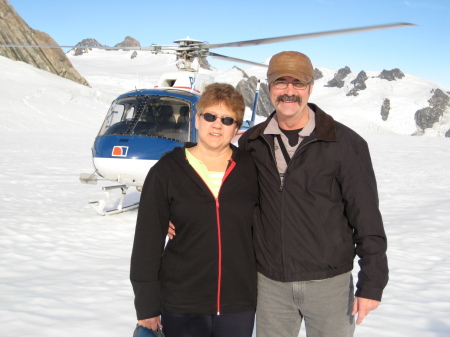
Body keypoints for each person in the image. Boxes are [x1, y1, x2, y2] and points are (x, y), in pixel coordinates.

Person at [237, 51, 389, 337]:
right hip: (270, 285)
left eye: (299, 83)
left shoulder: (345, 144)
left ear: (311, 88)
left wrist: (372, 284)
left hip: (329, 285)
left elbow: (367, 217)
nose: (289, 92)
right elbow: (234, 202)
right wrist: (183, 219)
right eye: (281, 82)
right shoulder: (251, 142)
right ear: (269, 87)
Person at [130, 83, 259, 337]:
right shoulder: (167, 170)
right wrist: (146, 305)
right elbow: (147, 242)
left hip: (238, 304)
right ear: (197, 119)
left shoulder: (251, 169)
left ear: (236, 128)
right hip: (182, 304)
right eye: (210, 116)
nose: (217, 124)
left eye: (227, 119)